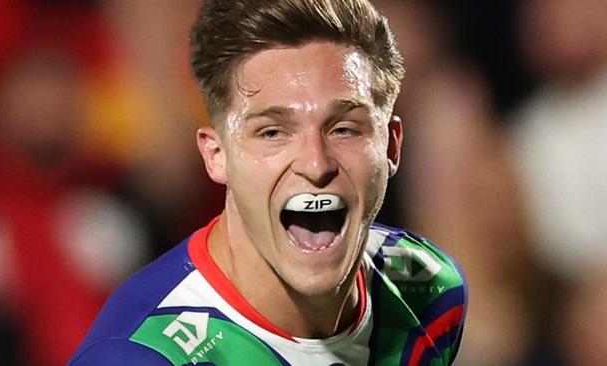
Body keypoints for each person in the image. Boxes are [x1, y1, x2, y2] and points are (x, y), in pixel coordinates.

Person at [70, 1, 467, 365]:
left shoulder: (428, 291)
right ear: (216, 155)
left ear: (392, 146)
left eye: (345, 129)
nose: (316, 163)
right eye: (273, 133)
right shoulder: (139, 356)